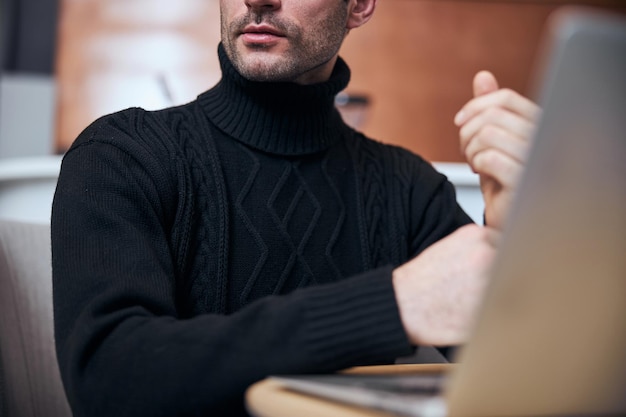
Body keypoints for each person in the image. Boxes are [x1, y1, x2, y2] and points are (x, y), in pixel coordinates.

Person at [51, 0, 540, 415]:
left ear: (360, 5)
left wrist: (519, 235)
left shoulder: (410, 188)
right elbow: (106, 382)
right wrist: (390, 306)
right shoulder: (123, 155)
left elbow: (530, 382)